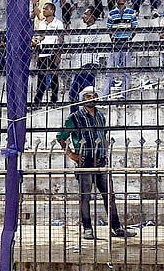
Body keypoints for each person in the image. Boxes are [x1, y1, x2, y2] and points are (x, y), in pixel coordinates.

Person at [56, 87, 135, 241]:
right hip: (85, 162)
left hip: (100, 161)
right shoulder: (75, 117)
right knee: (85, 197)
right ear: (82, 98)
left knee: (109, 196)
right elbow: (61, 137)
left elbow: (102, 135)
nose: (91, 98)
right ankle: (87, 228)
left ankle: (116, 227)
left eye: (94, 96)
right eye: (88, 96)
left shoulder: (100, 116)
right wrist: (72, 155)